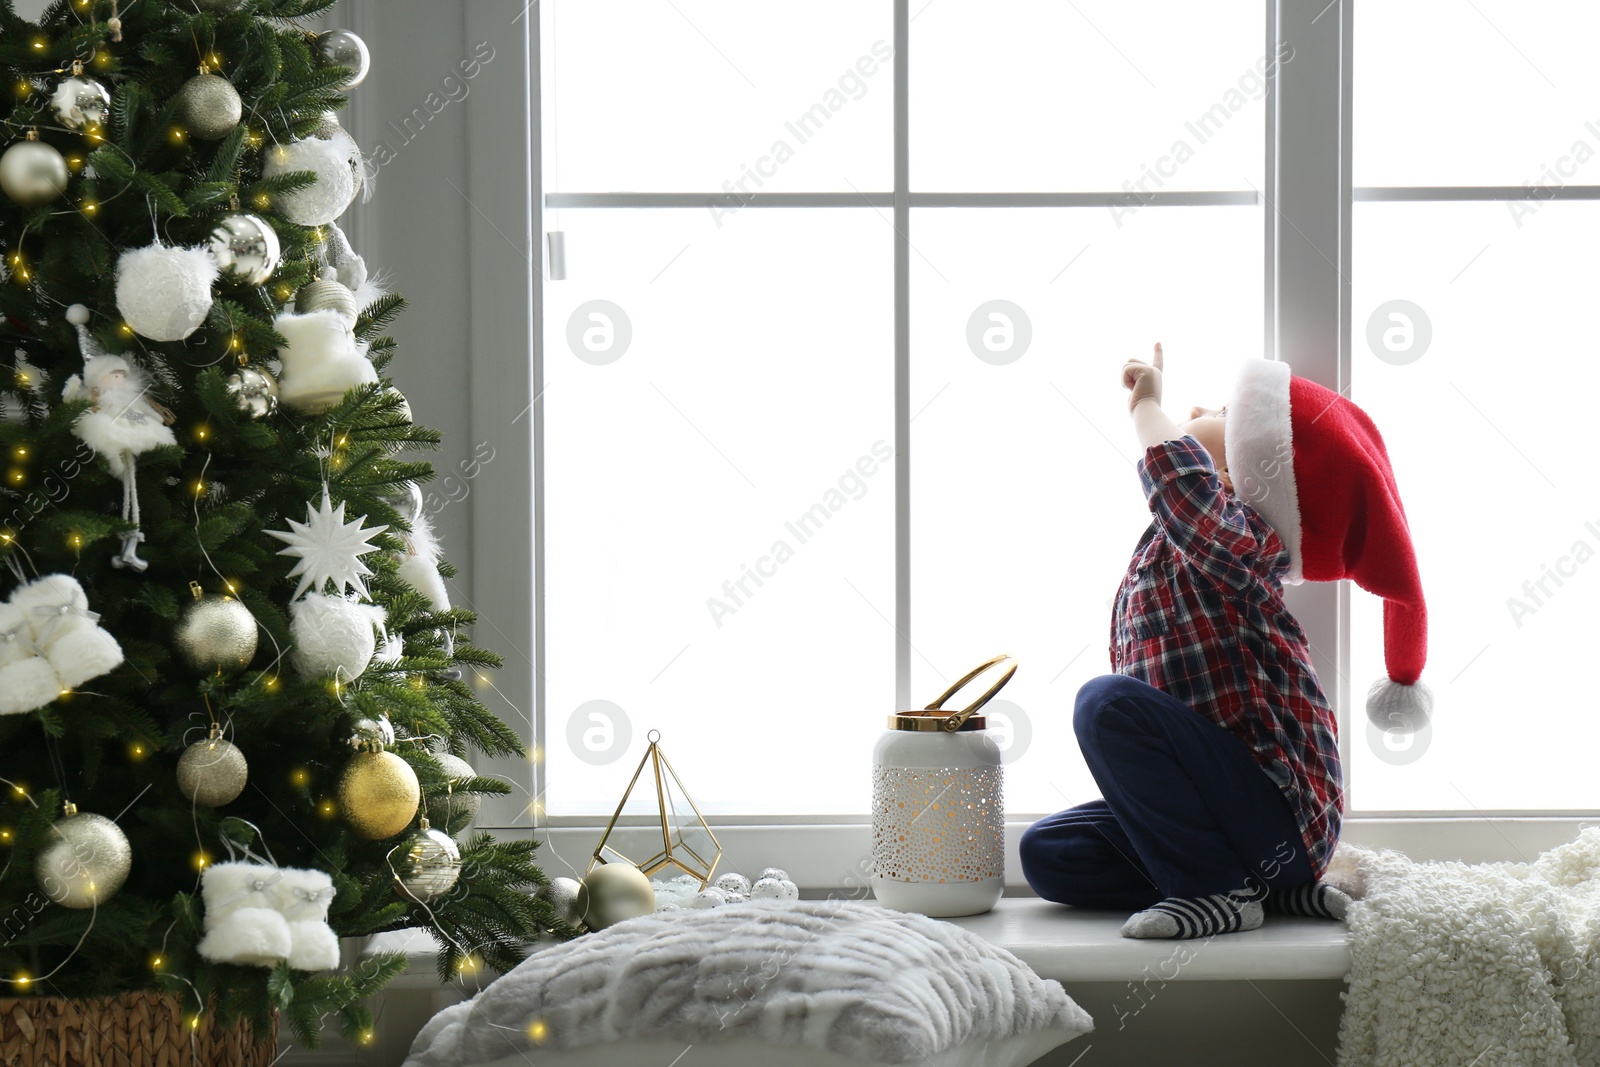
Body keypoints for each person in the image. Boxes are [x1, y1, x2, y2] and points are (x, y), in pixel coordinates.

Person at [1019, 343, 1431, 939]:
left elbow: (1185, 493)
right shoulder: (1176, 548)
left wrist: (1147, 407)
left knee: (1103, 703)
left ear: (1239, 474)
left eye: (1217, 411)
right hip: (1229, 821)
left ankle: (1214, 891)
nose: (1194, 407)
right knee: (1048, 854)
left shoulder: (1245, 542)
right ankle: (1265, 889)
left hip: (1281, 815)